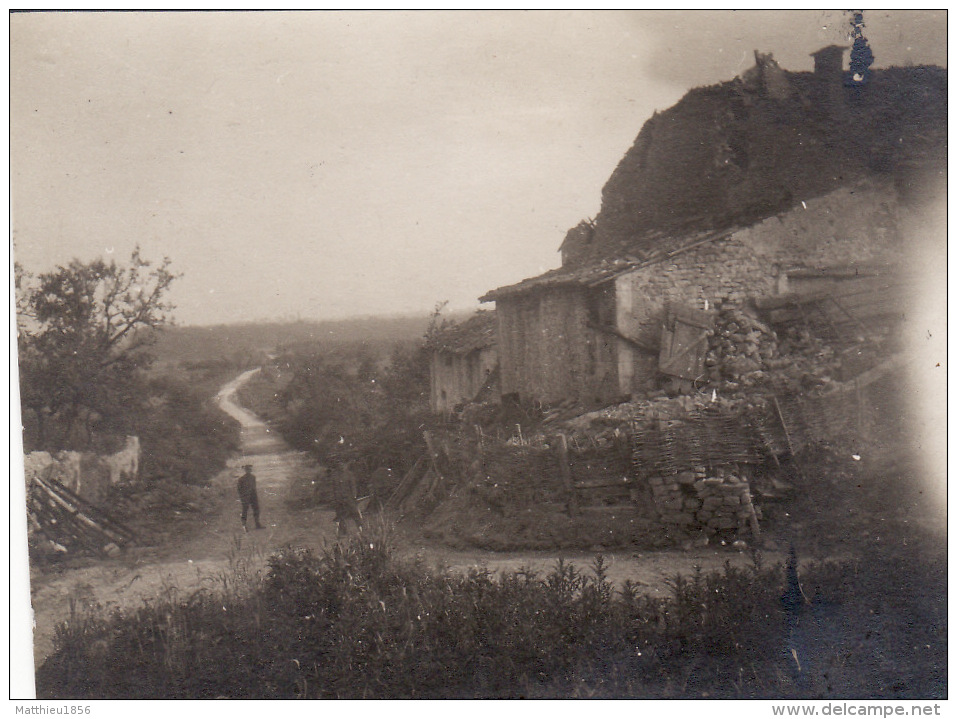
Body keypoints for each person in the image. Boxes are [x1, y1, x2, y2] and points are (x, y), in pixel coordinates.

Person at [332, 461, 363, 537]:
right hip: (339, 499)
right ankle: (342, 532)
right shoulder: (335, 475)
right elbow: (334, 488)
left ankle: (361, 529)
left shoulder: (349, 474)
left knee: (355, 513)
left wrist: (354, 496)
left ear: (345, 465)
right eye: (339, 464)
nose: (341, 466)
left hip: (349, 497)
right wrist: (336, 497)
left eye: (343, 464)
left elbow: (353, 486)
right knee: (340, 514)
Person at [237, 464, 263, 531]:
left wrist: (255, 495)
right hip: (245, 496)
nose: (248, 471)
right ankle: (244, 526)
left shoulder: (253, 477)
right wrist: (242, 497)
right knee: (245, 511)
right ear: (245, 470)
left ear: (250, 470)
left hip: (253, 495)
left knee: (256, 509)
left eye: (249, 469)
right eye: (247, 470)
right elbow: (239, 489)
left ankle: (257, 524)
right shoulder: (241, 479)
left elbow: (254, 487)